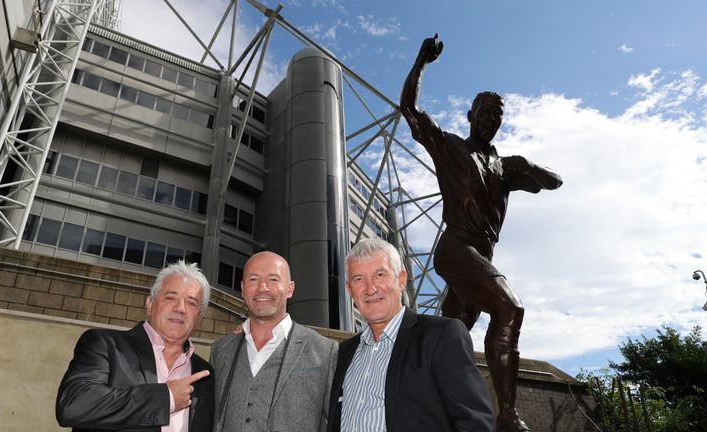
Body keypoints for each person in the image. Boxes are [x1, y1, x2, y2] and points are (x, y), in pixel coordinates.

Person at [399, 34, 564, 432]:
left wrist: (524, 166)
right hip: (456, 249)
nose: (490, 119)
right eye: (484, 112)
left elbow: (554, 182)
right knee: (510, 308)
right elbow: (409, 108)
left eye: (497, 115)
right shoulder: (452, 148)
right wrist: (422, 60)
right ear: (470, 115)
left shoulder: (505, 167)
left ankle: (414, 392)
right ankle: (507, 415)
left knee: (449, 334)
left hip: (479, 259)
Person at [327, 238, 494, 431]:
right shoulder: (343, 353)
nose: (370, 288)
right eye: (359, 279)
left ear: (401, 280)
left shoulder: (440, 336)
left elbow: (475, 423)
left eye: (380, 274)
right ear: (350, 290)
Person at [56, 261, 215, 432]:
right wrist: (166, 398)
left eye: (191, 303)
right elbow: (73, 405)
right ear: (150, 304)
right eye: (170, 298)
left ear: (199, 318)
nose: (180, 308)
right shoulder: (105, 345)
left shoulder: (205, 373)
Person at [210, 251, 338, 432]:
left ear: (290, 289)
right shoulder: (220, 350)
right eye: (253, 279)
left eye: (273, 279)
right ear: (242, 288)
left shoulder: (325, 351)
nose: (263, 287)